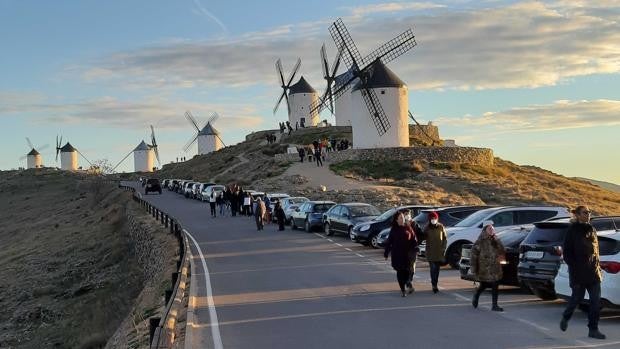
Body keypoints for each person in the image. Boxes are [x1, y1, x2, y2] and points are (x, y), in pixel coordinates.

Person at [560, 205, 605, 340]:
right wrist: (575, 268)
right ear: (578, 215)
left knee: (596, 302)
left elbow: (596, 252)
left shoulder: (592, 229)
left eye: (589, 212)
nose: (588, 214)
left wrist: (598, 266)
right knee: (576, 299)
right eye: (585, 212)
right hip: (578, 273)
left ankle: (593, 329)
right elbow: (567, 253)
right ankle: (566, 317)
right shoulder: (572, 231)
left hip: (593, 272)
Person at [470, 221, 506, 312]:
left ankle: (495, 305)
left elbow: (502, 250)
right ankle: (476, 295)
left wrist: (497, 240)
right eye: (489, 228)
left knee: (495, 285)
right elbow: (473, 255)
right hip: (484, 268)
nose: (491, 230)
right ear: (485, 230)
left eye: (492, 228)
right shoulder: (480, 241)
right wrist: (474, 269)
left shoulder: (495, 239)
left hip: (495, 267)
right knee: (484, 285)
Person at [384, 211, 418, 297]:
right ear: (396, 220)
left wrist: (415, 247)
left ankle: (408, 284)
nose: (402, 219)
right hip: (397, 255)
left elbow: (414, 238)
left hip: (407, 255)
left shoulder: (408, 227)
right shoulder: (393, 229)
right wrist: (386, 253)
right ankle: (403, 290)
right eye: (400, 218)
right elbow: (389, 242)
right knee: (400, 272)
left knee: (407, 271)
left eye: (403, 217)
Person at [424, 211, 447, 293]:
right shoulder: (427, 228)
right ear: (429, 219)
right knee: (432, 269)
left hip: (439, 252)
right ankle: (434, 285)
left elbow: (445, 238)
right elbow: (423, 237)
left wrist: (443, 248)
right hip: (430, 252)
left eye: (435, 218)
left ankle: (435, 283)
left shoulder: (441, 227)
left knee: (437, 270)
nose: (433, 220)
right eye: (432, 218)